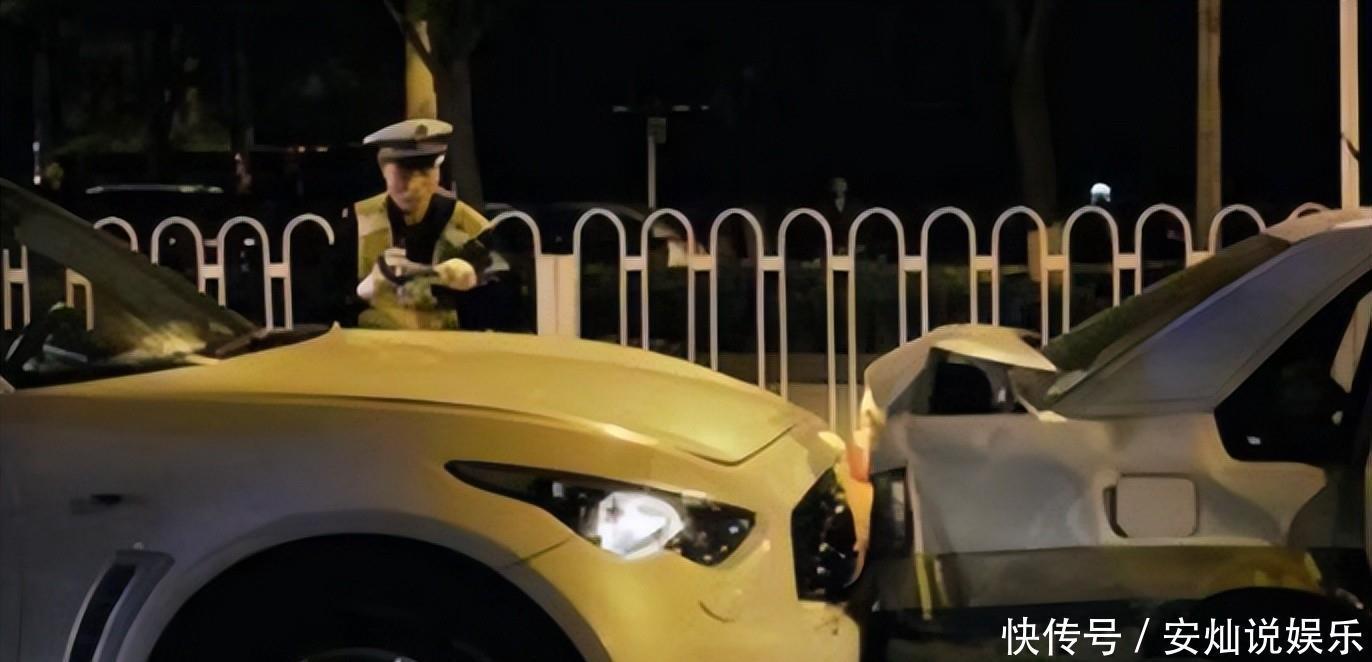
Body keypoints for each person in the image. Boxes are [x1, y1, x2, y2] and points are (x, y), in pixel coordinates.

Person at [350, 118, 496, 329]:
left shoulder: (468, 224)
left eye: (424, 174)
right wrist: (363, 290)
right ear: (383, 171)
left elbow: (500, 301)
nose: (414, 187)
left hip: (446, 345)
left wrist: (470, 280)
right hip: (375, 345)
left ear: (438, 173)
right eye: (403, 175)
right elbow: (326, 304)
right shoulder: (357, 220)